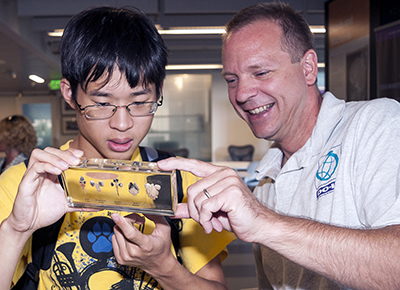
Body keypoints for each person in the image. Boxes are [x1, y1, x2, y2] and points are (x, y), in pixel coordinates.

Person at [158, 2, 400, 290]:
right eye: (232, 80)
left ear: (308, 68)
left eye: (261, 73)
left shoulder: (376, 124)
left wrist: (264, 222)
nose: (243, 93)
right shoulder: (266, 184)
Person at [0, 6, 235, 290]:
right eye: (101, 103)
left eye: (138, 103)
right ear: (70, 94)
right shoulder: (25, 184)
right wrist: (16, 229)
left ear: (159, 92)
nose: (122, 124)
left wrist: (165, 268)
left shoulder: (180, 182)